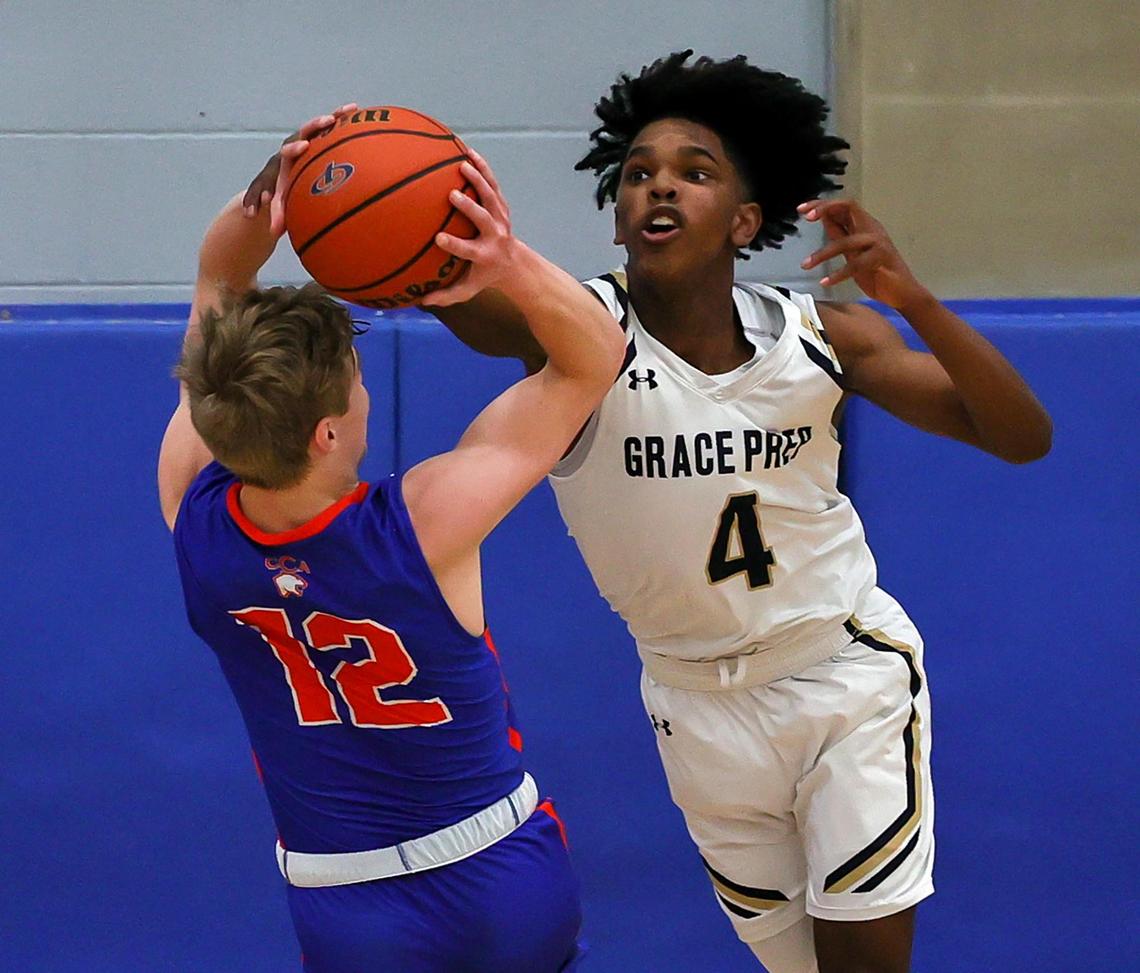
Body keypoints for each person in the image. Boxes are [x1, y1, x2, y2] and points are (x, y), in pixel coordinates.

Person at [246, 51, 1053, 973]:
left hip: (841, 677)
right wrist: (318, 185)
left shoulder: (825, 335)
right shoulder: (571, 329)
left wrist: (913, 299)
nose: (658, 185)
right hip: (693, 702)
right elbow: (429, 270)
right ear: (619, 210)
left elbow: (1020, 435)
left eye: (693, 173)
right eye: (638, 174)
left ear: (745, 221)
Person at [159, 106, 624, 973]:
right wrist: (505, 260)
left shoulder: (195, 517)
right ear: (328, 433)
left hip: (346, 900)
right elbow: (594, 358)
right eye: (356, 380)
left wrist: (266, 201)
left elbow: (216, 286)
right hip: (495, 874)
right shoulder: (426, 519)